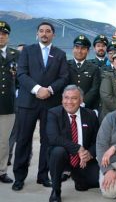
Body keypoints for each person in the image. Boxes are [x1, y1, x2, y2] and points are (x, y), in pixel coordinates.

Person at [13, 22, 69, 191]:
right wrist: (37, 89)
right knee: (23, 140)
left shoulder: (60, 54)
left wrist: (50, 90)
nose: (44, 34)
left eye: (48, 31)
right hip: (27, 103)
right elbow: (21, 74)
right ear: (37, 34)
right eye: (41, 31)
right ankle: (19, 177)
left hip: (50, 104)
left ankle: (43, 176)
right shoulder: (27, 51)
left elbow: (64, 77)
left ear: (54, 34)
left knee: (48, 140)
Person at [47, 85, 99, 202]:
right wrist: (78, 148)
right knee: (58, 151)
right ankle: (56, 189)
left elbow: (98, 140)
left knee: (93, 182)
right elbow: (53, 138)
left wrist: (89, 153)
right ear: (62, 99)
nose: (69, 102)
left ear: (81, 100)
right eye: (66, 98)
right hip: (63, 157)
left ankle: (77, 177)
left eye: (74, 98)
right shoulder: (53, 113)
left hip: (83, 160)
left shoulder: (90, 115)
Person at [0, 21, 19, 184]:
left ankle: (1, 171)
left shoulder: (15, 54)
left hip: (8, 105)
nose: (1, 36)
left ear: (8, 36)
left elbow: (19, 78)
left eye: (4, 34)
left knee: (4, 141)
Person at [68, 35, 101, 110]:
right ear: (73, 49)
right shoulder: (65, 65)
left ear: (88, 51)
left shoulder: (94, 68)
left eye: (83, 48)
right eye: (77, 47)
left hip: (86, 107)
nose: (79, 51)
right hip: (67, 105)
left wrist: (82, 102)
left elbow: (94, 89)